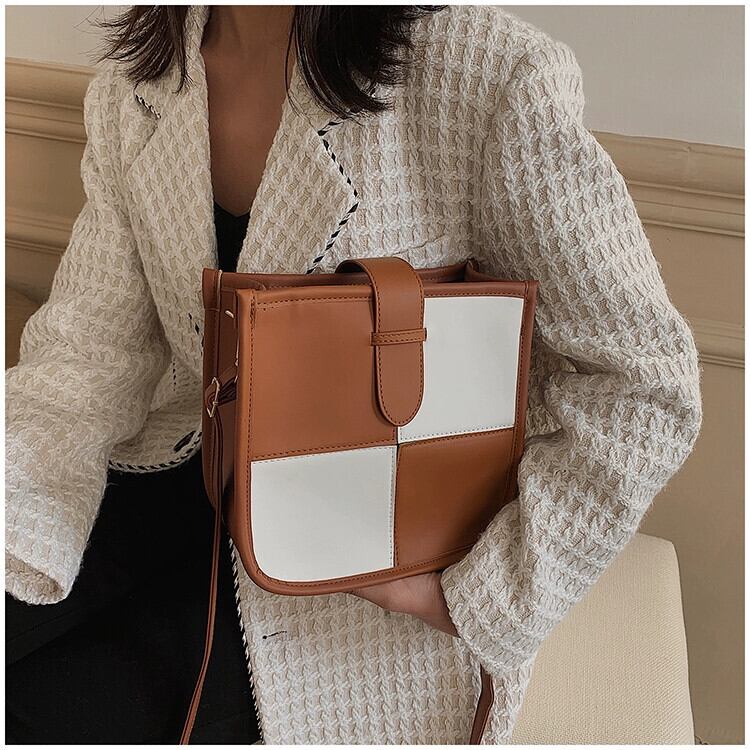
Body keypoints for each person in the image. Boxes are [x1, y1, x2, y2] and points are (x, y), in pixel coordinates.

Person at [5, 4, 703, 744]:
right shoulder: (136, 83)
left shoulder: (484, 73)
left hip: (346, 569)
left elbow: (645, 384)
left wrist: (484, 592)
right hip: (178, 478)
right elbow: (86, 352)